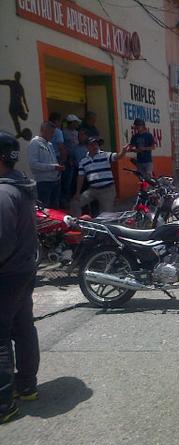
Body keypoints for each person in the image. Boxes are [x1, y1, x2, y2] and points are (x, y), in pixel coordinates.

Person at [0, 132, 39, 424]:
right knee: (23, 328)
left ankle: (4, 405)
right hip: (24, 268)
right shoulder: (21, 185)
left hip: (8, 272)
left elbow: (2, 242)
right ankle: (26, 385)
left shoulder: (3, 193)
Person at [72, 137, 127, 217]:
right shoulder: (83, 161)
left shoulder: (105, 155)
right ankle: (77, 225)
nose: (95, 146)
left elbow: (117, 156)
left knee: (107, 216)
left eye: (96, 144)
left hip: (107, 190)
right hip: (93, 190)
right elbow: (80, 177)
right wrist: (77, 193)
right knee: (74, 203)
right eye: (92, 144)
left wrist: (123, 151)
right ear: (87, 147)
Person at [27, 121, 63, 208]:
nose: (53, 135)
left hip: (55, 181)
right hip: (44, 183)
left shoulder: (49, 144)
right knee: (45, 210)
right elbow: (33, 164)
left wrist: (58, 167)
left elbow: (52, 161)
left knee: (55, 210)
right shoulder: (35, 143)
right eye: (51, 132)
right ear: (43, 131)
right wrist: (53, 167)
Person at [0, 72, 30, 140]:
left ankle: (20, 133)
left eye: (17, 76)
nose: (16, 77)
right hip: (13, 107)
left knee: (24, 118)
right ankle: (19, 133)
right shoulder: (13, 83)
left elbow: (23, 99)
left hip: (17, 107)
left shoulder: (20, 87)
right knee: (16, 121)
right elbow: (4, 82)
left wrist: (26, 108)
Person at [61, 114, 81, 205]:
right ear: (71, 123)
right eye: (75, 122)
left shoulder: (77, 133)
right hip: (68, 160)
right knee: (67, 180)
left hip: (77, 160)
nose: (77, 124)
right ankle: (65, 199)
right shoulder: (64, 132)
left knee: (76, 179)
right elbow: (63, 146)